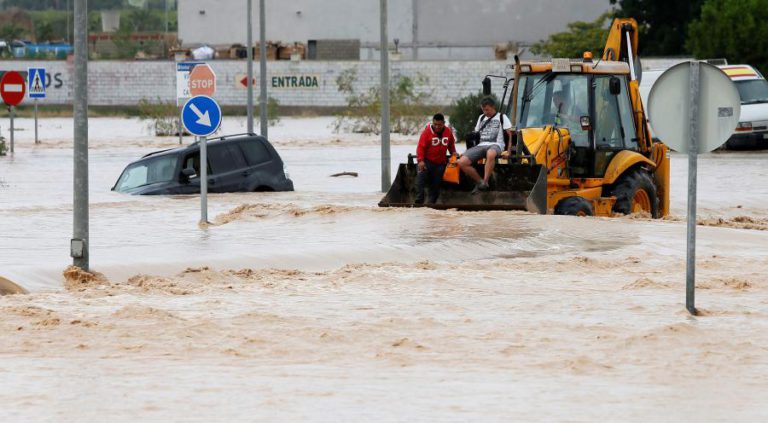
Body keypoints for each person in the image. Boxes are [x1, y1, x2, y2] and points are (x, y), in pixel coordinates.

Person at [458, 97, 512, 194]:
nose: (485, 112)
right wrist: (467, 152)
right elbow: (476, 134)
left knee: (490, 154)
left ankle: (486, 181)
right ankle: (481, 182)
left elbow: (510, 135)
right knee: (461, 162)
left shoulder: (502, 117)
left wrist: (508, 151)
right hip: (481, 145)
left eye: (487, 109)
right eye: (483, 109)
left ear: (493, 107)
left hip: (496, 145)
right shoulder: (481, 117)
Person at [415, 113, 456, 204]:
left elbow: (451, 145)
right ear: (432, 123)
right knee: (420, 179)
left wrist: (453, 153)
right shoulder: (426, 133)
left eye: (440, 125)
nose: (437, 127)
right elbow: (420, 147)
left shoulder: (448, 132)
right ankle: (419, 200)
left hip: (440, 163)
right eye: (435, 124)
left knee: (436, 185)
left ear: (444, 123)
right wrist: (420, 161)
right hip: (427, 162)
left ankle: (431, 204)